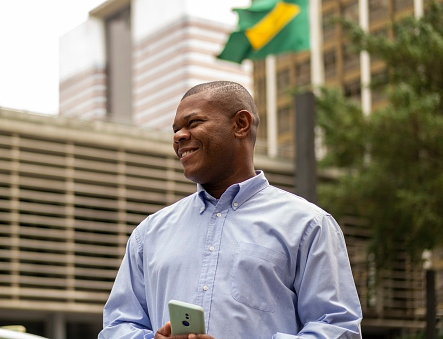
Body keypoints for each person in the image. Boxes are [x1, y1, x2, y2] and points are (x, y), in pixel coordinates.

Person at [98, 81, 362, 338]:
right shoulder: (149, 234)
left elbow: (338, 330)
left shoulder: (308, 225)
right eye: (175, 129)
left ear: (240, 124)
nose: (179, 136)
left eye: (193, 123)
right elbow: (117, 327)